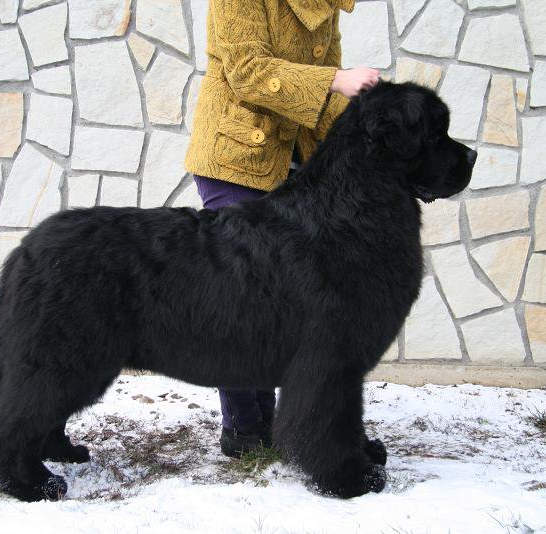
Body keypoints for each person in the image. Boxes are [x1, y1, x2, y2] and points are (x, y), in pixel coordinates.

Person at [183, 0, 380, 458]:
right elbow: (247, 71)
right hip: (234, 160)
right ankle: (244, 428)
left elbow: (328, 93)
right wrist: (337, 80)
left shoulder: (325, 4)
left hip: (296, 164)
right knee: (240, 298)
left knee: (289, 303)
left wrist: (366, 125)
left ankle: (280, 421)